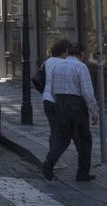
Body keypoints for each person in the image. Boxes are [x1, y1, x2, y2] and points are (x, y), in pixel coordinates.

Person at [42, 41, 98, 182]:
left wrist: (59, 102)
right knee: (84, 139)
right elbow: (87, 91)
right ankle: (82, 173)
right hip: (76, 105)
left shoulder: (58, 66)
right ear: (81, 54)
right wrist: (94, 110)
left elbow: (53, 88)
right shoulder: (81, 67)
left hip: (60, 103)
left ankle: (49, 162)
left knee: (62, 138)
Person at [40, 38, 70, 152]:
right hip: (58, 100)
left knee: (54, 130)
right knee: (62, 132)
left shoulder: (49, 61)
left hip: (47, 99)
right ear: (65, 51)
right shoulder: (64, 63)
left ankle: (53, 154)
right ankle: (53, 157)